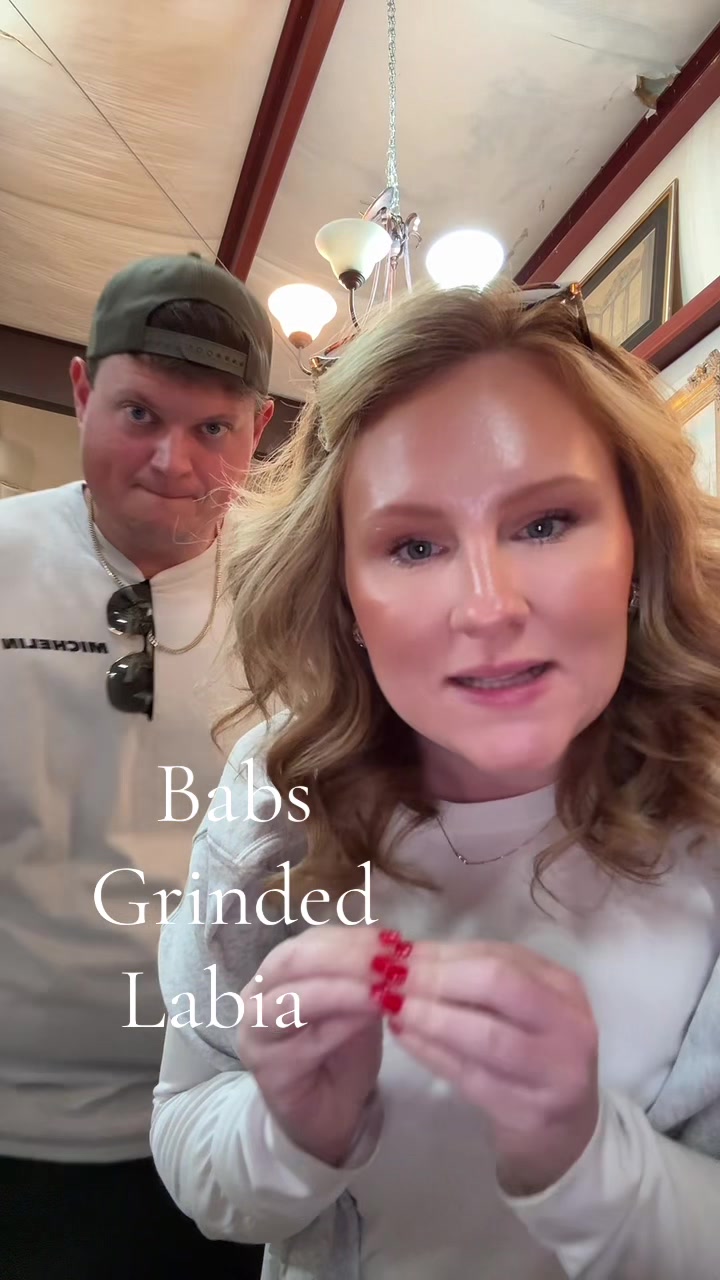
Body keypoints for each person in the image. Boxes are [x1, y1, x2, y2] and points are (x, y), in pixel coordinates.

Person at [150, 280, 720, 1280]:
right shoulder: (277, 791)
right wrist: (288, 1130)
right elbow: (190, 1126)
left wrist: (586, 1161)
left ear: (639, 540)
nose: (488, 606)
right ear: (345, 592)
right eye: (414, 545)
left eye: (545, 522)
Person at [0, 254, 275, 1278]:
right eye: (140, 414)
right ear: (82, 390)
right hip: (22, 1133)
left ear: (260, 429)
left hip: (232, 1122)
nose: (174, 461)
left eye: (214, 429)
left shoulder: (304, 595)